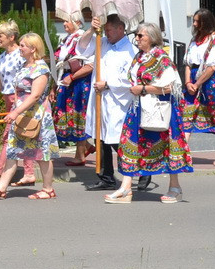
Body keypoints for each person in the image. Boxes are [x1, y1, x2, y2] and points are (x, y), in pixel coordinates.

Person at [105, 22, 191, 203]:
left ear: (151, 38)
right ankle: (126, 188)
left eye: (140, 36)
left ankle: (175, 187)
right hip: (138, 108)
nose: (136, 39)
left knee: (167, 147)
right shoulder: (139, 57)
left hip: (159, 109)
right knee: (129, 144)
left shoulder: (162, 59)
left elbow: (171, 87)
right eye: (136, 35)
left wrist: (143, 89)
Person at [0, 32, 59, 199]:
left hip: (37, 116)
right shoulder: (24, 65)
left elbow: (35, 95)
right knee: (13, 151)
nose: (19, 48)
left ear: (33, 48)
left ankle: (48, 189)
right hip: (21, 115)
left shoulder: (41, 68)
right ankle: (1, 188)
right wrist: (16, 110)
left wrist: (15, 112)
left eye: (23, 46)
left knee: (42, 154)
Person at [0, 21, 35, 188]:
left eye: (0, 35)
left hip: (19, 99)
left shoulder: (21, 54)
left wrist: (20, 101)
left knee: (9, 136)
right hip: (8, 98)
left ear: (11, 37)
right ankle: (29, 173)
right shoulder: (3, 56)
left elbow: (27, 78)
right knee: (21, 135)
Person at [88, 12, 138, 191]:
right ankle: (106, 177)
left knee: (117, 140)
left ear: (120, 29)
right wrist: (91, 30)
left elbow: (131, 78)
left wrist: (108, 84)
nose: (106, 33)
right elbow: (82, 47)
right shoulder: (102, 43)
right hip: (100, 100)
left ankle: (140, 171)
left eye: (109, 30)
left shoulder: (131, 51)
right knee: (100, 139)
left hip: (118, 101)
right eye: (105, 30)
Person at [182, 9, 215, 167]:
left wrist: (197, 84)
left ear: (206, 22)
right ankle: (182, 153)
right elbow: (188, 64)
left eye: (198, 21)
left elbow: (212, 67)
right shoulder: (194, 40)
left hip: (210, 81)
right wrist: (188, 83)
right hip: (193, 79)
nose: (194, 24)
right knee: (187, 114)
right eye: (194, 20)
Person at [52, 10, 96, 167]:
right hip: (67, 80)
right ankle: (87, 147)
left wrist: (72, 77)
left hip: (79, 82)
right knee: (68, 116)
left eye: (67, 21)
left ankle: (80, 155)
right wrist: (55, 86)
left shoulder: (84, 38)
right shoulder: (68, 39)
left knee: (79, 116)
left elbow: (90, 65)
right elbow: (60, 64)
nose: (64, 23)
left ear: (77, 22)